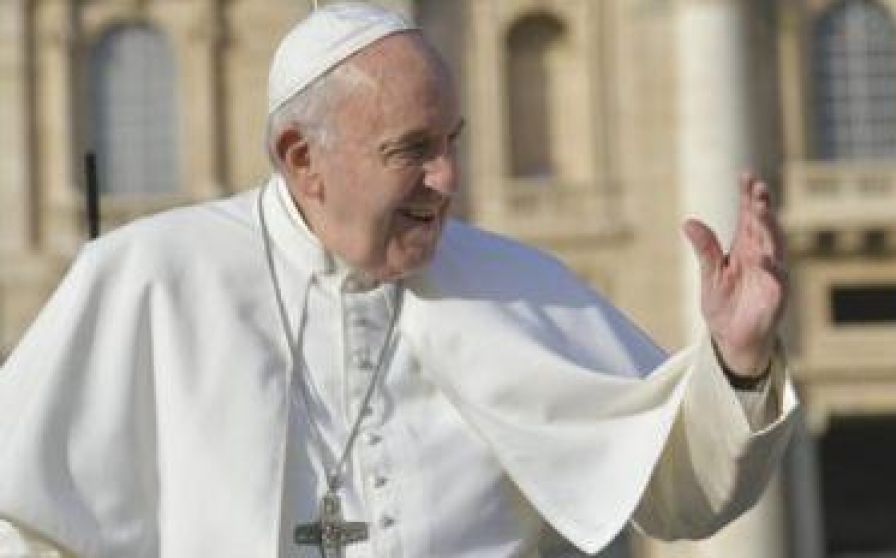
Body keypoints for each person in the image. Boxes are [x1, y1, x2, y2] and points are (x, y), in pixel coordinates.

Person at [0, 3, 797, 557]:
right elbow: (21, 520)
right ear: (302, 159)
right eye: (412, 150)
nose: (449, 178)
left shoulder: (513, 287)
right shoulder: (149, 281)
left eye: (452, 140)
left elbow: (677, 489)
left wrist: (736, 362)